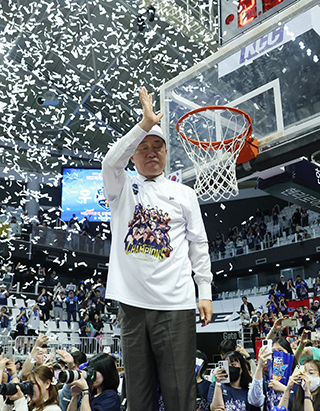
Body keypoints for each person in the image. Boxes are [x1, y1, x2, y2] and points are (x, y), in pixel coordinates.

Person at [101, 86, 213, 410]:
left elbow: (198, 244)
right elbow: (110, 163)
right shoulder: (121, 188)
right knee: (139, 398)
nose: (151, 152)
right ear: (133, 154)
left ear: (166, 153)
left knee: (180, 395)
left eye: (158, 147)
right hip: (132, 306)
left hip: (176, 305)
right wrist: (144, 125)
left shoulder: (184, 193)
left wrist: (204, 290)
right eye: (143, 147)